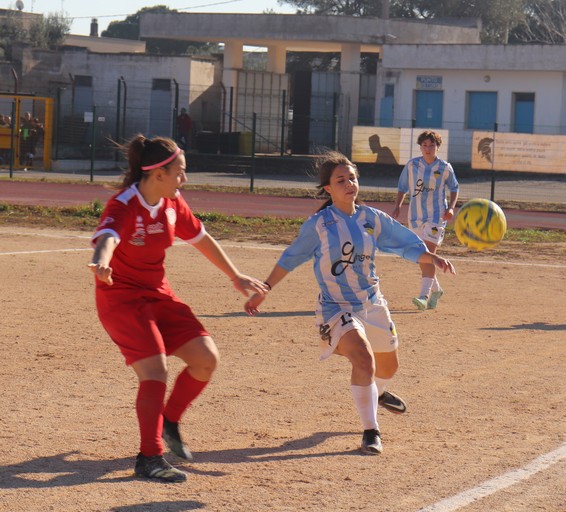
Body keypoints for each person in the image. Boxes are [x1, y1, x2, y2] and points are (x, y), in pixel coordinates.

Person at [244, 151, 455, 455]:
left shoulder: (371, 218)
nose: (349, 183)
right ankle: (371, 431)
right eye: (341, 180)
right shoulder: (319, 224)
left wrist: (431, 256)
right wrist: (265, 287)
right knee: (363, 359)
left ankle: (376, 393)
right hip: (336, 308)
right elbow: (291, 258)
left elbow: (405, 243)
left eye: (352, 178)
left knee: (389, 366)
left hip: (372, 302)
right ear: (328, 189)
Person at [88, 135, 267, 482]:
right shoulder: (125, 204)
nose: (184, 180)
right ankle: (149, 457)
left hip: (158, 293)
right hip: (121, 298)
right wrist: (101, 263)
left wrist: (235, 276)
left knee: (206, 359)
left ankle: (169, 419)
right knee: (155, 370)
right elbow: (107, 237)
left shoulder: (172, 203)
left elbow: (201, 237)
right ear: (158, 174)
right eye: (180, 173)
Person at [392, 130, 459, 311]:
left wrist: (451, 207)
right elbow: (402, 187)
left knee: (428, 253)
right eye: (425, 145)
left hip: (436, 217)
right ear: (420, 147)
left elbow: (454, 188)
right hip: (415, 217)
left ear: (437, 147)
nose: (428, 149)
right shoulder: (412, 165)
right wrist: (398, 205)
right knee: (422, 257)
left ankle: (424, 296)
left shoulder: (445, 168)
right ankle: (436, 290)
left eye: (432, 145)